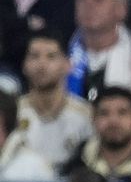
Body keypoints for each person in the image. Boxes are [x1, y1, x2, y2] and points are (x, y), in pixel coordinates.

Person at [16, 33, 94, 170]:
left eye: (51, 56)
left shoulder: (86, 115)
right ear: (24, 65)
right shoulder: (13, 113)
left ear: (68, 65)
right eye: (34, 56)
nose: (42, 64)